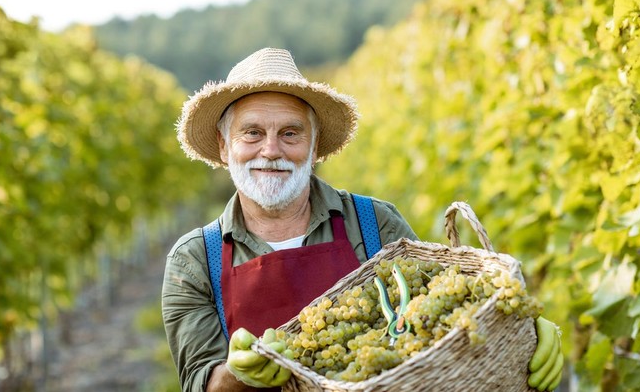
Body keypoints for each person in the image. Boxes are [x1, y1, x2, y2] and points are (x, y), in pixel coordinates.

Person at [162, 47, 562, 392]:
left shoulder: (376, 223)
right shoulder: (195, 260)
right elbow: (200, 380)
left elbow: (444, 314)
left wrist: (521, 328)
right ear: (223, 143)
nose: (271, 150)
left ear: (314, 145)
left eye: (290, 133)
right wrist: (236, 375)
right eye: (252, 133)